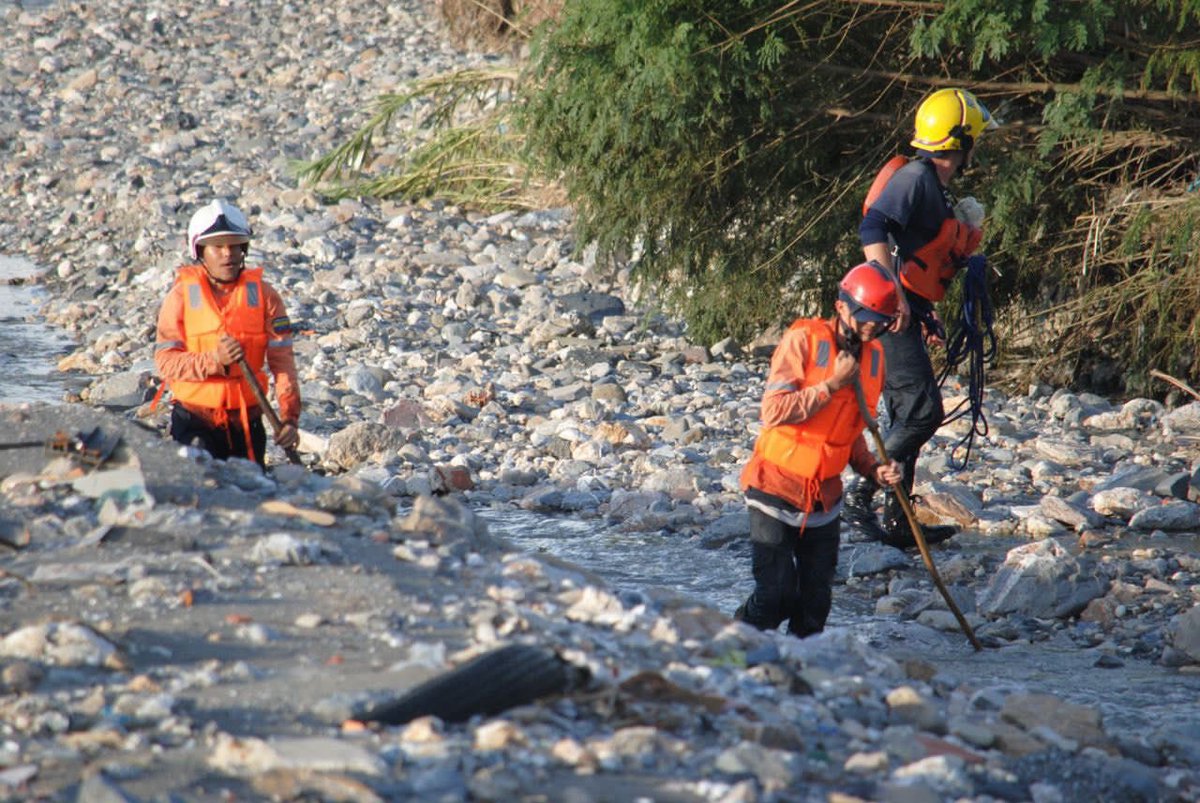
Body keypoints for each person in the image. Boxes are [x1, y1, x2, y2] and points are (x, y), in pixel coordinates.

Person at [847, 87, 998, 549]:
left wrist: (922, 310)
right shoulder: (916, 177)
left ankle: (898, 522)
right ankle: (861, 494)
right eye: (975, 139)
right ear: (961, 141)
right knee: (923, 411)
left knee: (906, 410)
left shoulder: (932, 184)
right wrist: (894, 296)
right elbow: (873, 228)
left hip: (904, 311)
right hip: (886, 313)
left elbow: (915, 253)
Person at [735, 262, 904, 638]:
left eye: (879, 321)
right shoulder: (804, 341)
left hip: (824, 502)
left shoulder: (875, 358)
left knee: (814, 608)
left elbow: (850, 433)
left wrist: (875, 470)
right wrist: (830, 386)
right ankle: (727, 653)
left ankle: (798, 680)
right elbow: (774, 411)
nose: (870, 328)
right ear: (841, 306)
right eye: (865, 318)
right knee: (775, 596)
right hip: (773, 490)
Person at [154, 199, 301, 465]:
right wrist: (214, 360)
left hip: (247, 425)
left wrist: (290, 419)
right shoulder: (180, 298)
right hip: (194, 422)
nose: (228, 254)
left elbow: (283, 365)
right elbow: (165, 363)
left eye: (235, 245)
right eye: (218, 246)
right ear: (200, 251)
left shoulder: (266, 297)